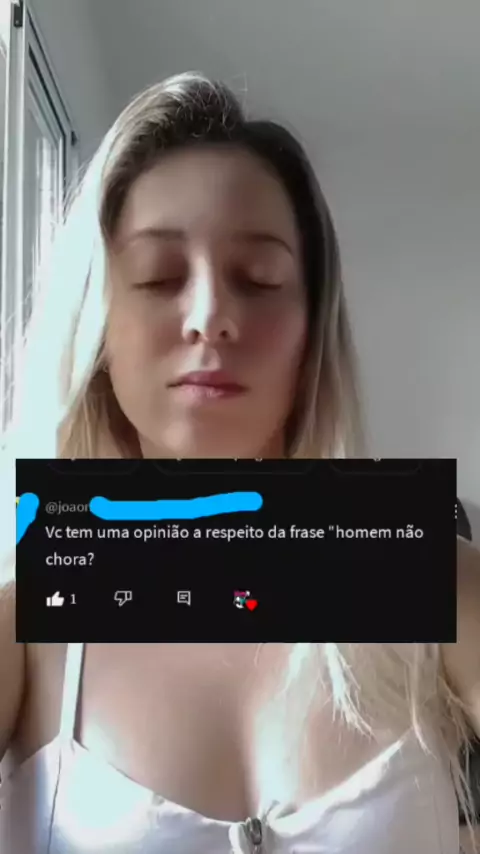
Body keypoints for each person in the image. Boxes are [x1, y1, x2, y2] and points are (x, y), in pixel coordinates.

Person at [0, 71, 479, 854]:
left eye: (258, 281)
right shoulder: (24, 611)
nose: (211, 315)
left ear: (312, 329)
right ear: (97, 324)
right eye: (159, 277)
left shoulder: (431, 574)